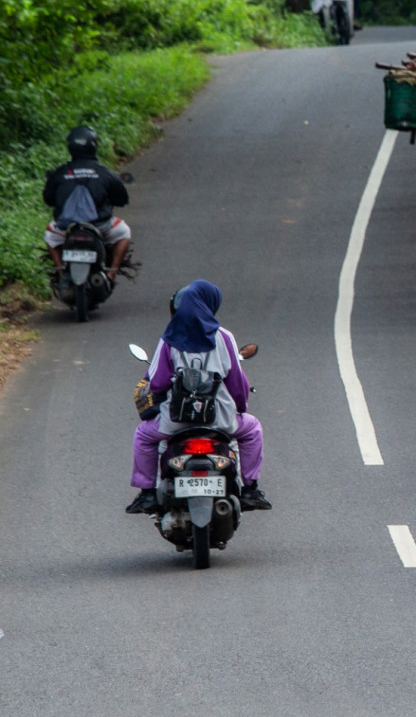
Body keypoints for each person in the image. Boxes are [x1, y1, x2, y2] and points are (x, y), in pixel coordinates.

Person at [126, 281, 271, 514]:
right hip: (221, 419)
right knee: (252, 429)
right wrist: (241, 408)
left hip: (176, 420)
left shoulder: (169, 338)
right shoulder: (224, 337)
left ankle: (147, 494)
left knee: (144, 435)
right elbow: (236, 382)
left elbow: (158, 383)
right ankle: (251, 490)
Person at [43, 126, 131, 283]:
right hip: (99, 227)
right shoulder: (104, 172)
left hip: (66, 229)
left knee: (50, 235)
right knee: (124, 232)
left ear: (70, 147)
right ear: (94, 146)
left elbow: (48, 199)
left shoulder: (60, 173)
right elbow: (122, 198)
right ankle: (111, 274)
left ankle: (61, 273)